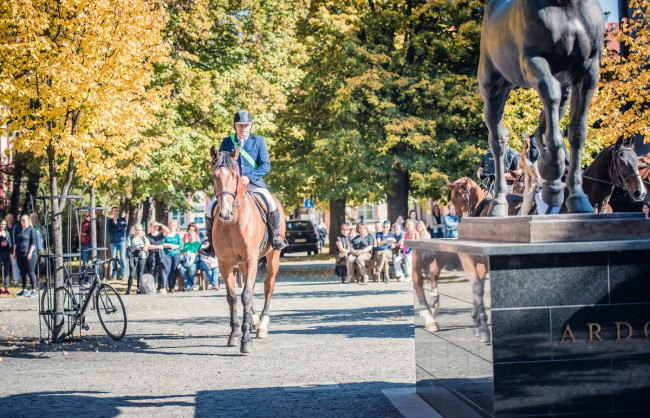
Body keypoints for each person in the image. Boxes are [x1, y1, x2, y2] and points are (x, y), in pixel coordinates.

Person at [201, 110, 287, 256]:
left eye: (246, 125)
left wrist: (250, 177)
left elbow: (265, 166)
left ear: (250, 126)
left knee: (271, 204)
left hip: (253, 184)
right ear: (235, 126)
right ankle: (210, 242)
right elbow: (221, 165)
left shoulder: (259, 142)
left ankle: (275, 237)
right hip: (230, 187)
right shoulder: (227, 142)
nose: (243, 128)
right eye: (240, 125)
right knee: (210, 207)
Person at [477, 129, 522, 194]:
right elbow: (480, 170)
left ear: (507, 138)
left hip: (506, 190)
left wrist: (497, 175)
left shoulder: (514, 155)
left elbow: (518, 175)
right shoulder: (489, 153)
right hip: (486, 188)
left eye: (501, 138)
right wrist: (481, 175)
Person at [14, 214, 37, 297]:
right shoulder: (19, 230)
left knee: (31, 272)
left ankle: (34, 290)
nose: (22, 222)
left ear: (28, 220)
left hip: (29, 254)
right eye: (21, 220)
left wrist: (30, 252)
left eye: (24, 220)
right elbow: (16, 242)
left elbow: (33, 242)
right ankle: (24, 289)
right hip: (20, 254)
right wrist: (14, 253)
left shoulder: (31, 229)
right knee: (23, 273)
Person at [146, 221, 170, 293]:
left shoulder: (160, 234)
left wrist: (161, 224)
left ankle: (163, 287)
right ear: (150, 227)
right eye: (153, 226)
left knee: (162, 271)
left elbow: (168, 231)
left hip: (160, 254)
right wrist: (158, 246)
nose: (155, 227)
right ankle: (152, 287)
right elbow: (148, 246)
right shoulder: (148, 236)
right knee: (152, 271)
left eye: (156, 226)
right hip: (152, 254)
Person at [126, 224, 148, 295]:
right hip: (133, 257)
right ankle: (128, 289)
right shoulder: (131, 237)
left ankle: (139, 289)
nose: (138, 231)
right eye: (137, 230)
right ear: (135, 230)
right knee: (132, 274)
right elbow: (127, 246)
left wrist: (142, 248)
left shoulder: (143, 237)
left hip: (142, 256)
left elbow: (146, 247)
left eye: (140, 230)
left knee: (140, 274)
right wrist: (135, 247)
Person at [107, 207, 128, 280]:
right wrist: (118, 227)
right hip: (113, 242)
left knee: (122, 258)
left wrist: (116, 223)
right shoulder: (109, 221)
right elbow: (109, 231)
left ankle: (123, 274)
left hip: (121, 241)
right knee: (114, 259)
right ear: (112, 212)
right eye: (115, 211)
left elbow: (123, 227)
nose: (116, 212)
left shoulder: (122, 219)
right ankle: (114, 275)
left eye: (117, 211)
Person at [163, 219, 183, 292]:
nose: (172, 227)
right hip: (167, 254)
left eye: (173, 225)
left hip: (176, 254)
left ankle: (172, 287)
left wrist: (174, 246)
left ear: (176, 226)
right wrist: (169, 245)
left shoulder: (177, 235)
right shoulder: (165, 234)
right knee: (167, 270)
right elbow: (162, 243)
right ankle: (165, 286)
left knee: (174, 270)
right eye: (170, 225)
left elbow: (180, 245)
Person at [5, 213, 20, 286]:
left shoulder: (16, 228)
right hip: (4, 250)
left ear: (13, 219)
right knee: (4, 266)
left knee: (14, 265)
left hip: (13, 249)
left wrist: (15, 250)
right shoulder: (3, 228)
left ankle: (16, 280)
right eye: (8, 218)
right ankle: (5, 282)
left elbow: (17, 240)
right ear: (6, 219)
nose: (10, 219)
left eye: (11, 218)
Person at [0, 219, 13, 294]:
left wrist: (6, 244)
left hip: (6, 254)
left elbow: (10, 244)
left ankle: (6, 287)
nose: (2, 226)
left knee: (6, 271)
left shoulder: (7, 233)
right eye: (1, 224)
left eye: (4, 225)